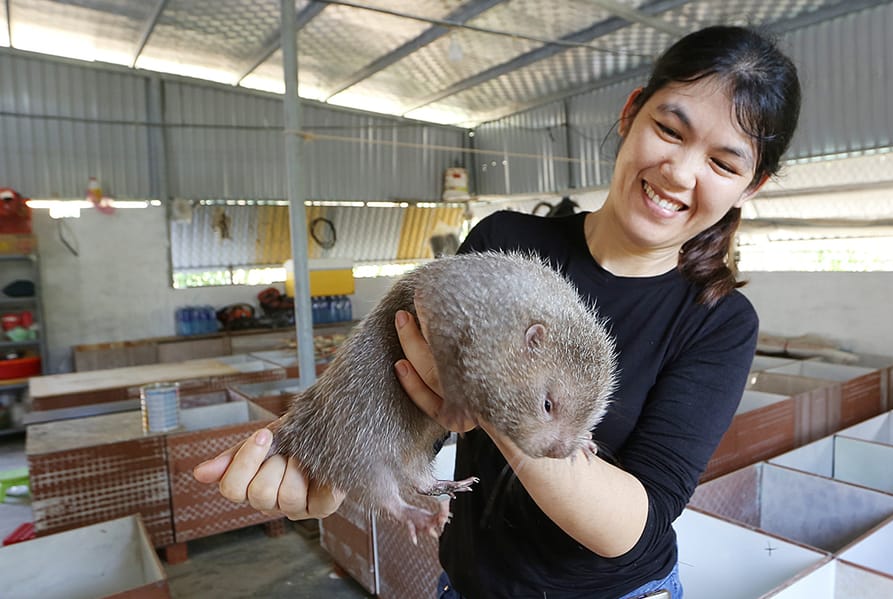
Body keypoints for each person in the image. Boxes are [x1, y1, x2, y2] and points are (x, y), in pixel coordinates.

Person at [193, 24, 801, 598]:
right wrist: (332, 467)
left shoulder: (718, 322)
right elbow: (421, 406)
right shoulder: (507, 245)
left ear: (752, 186)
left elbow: (635, 525)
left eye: (724, 163)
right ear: (630, 113)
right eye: (670, 129)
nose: (681, 171)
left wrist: (502, 412)